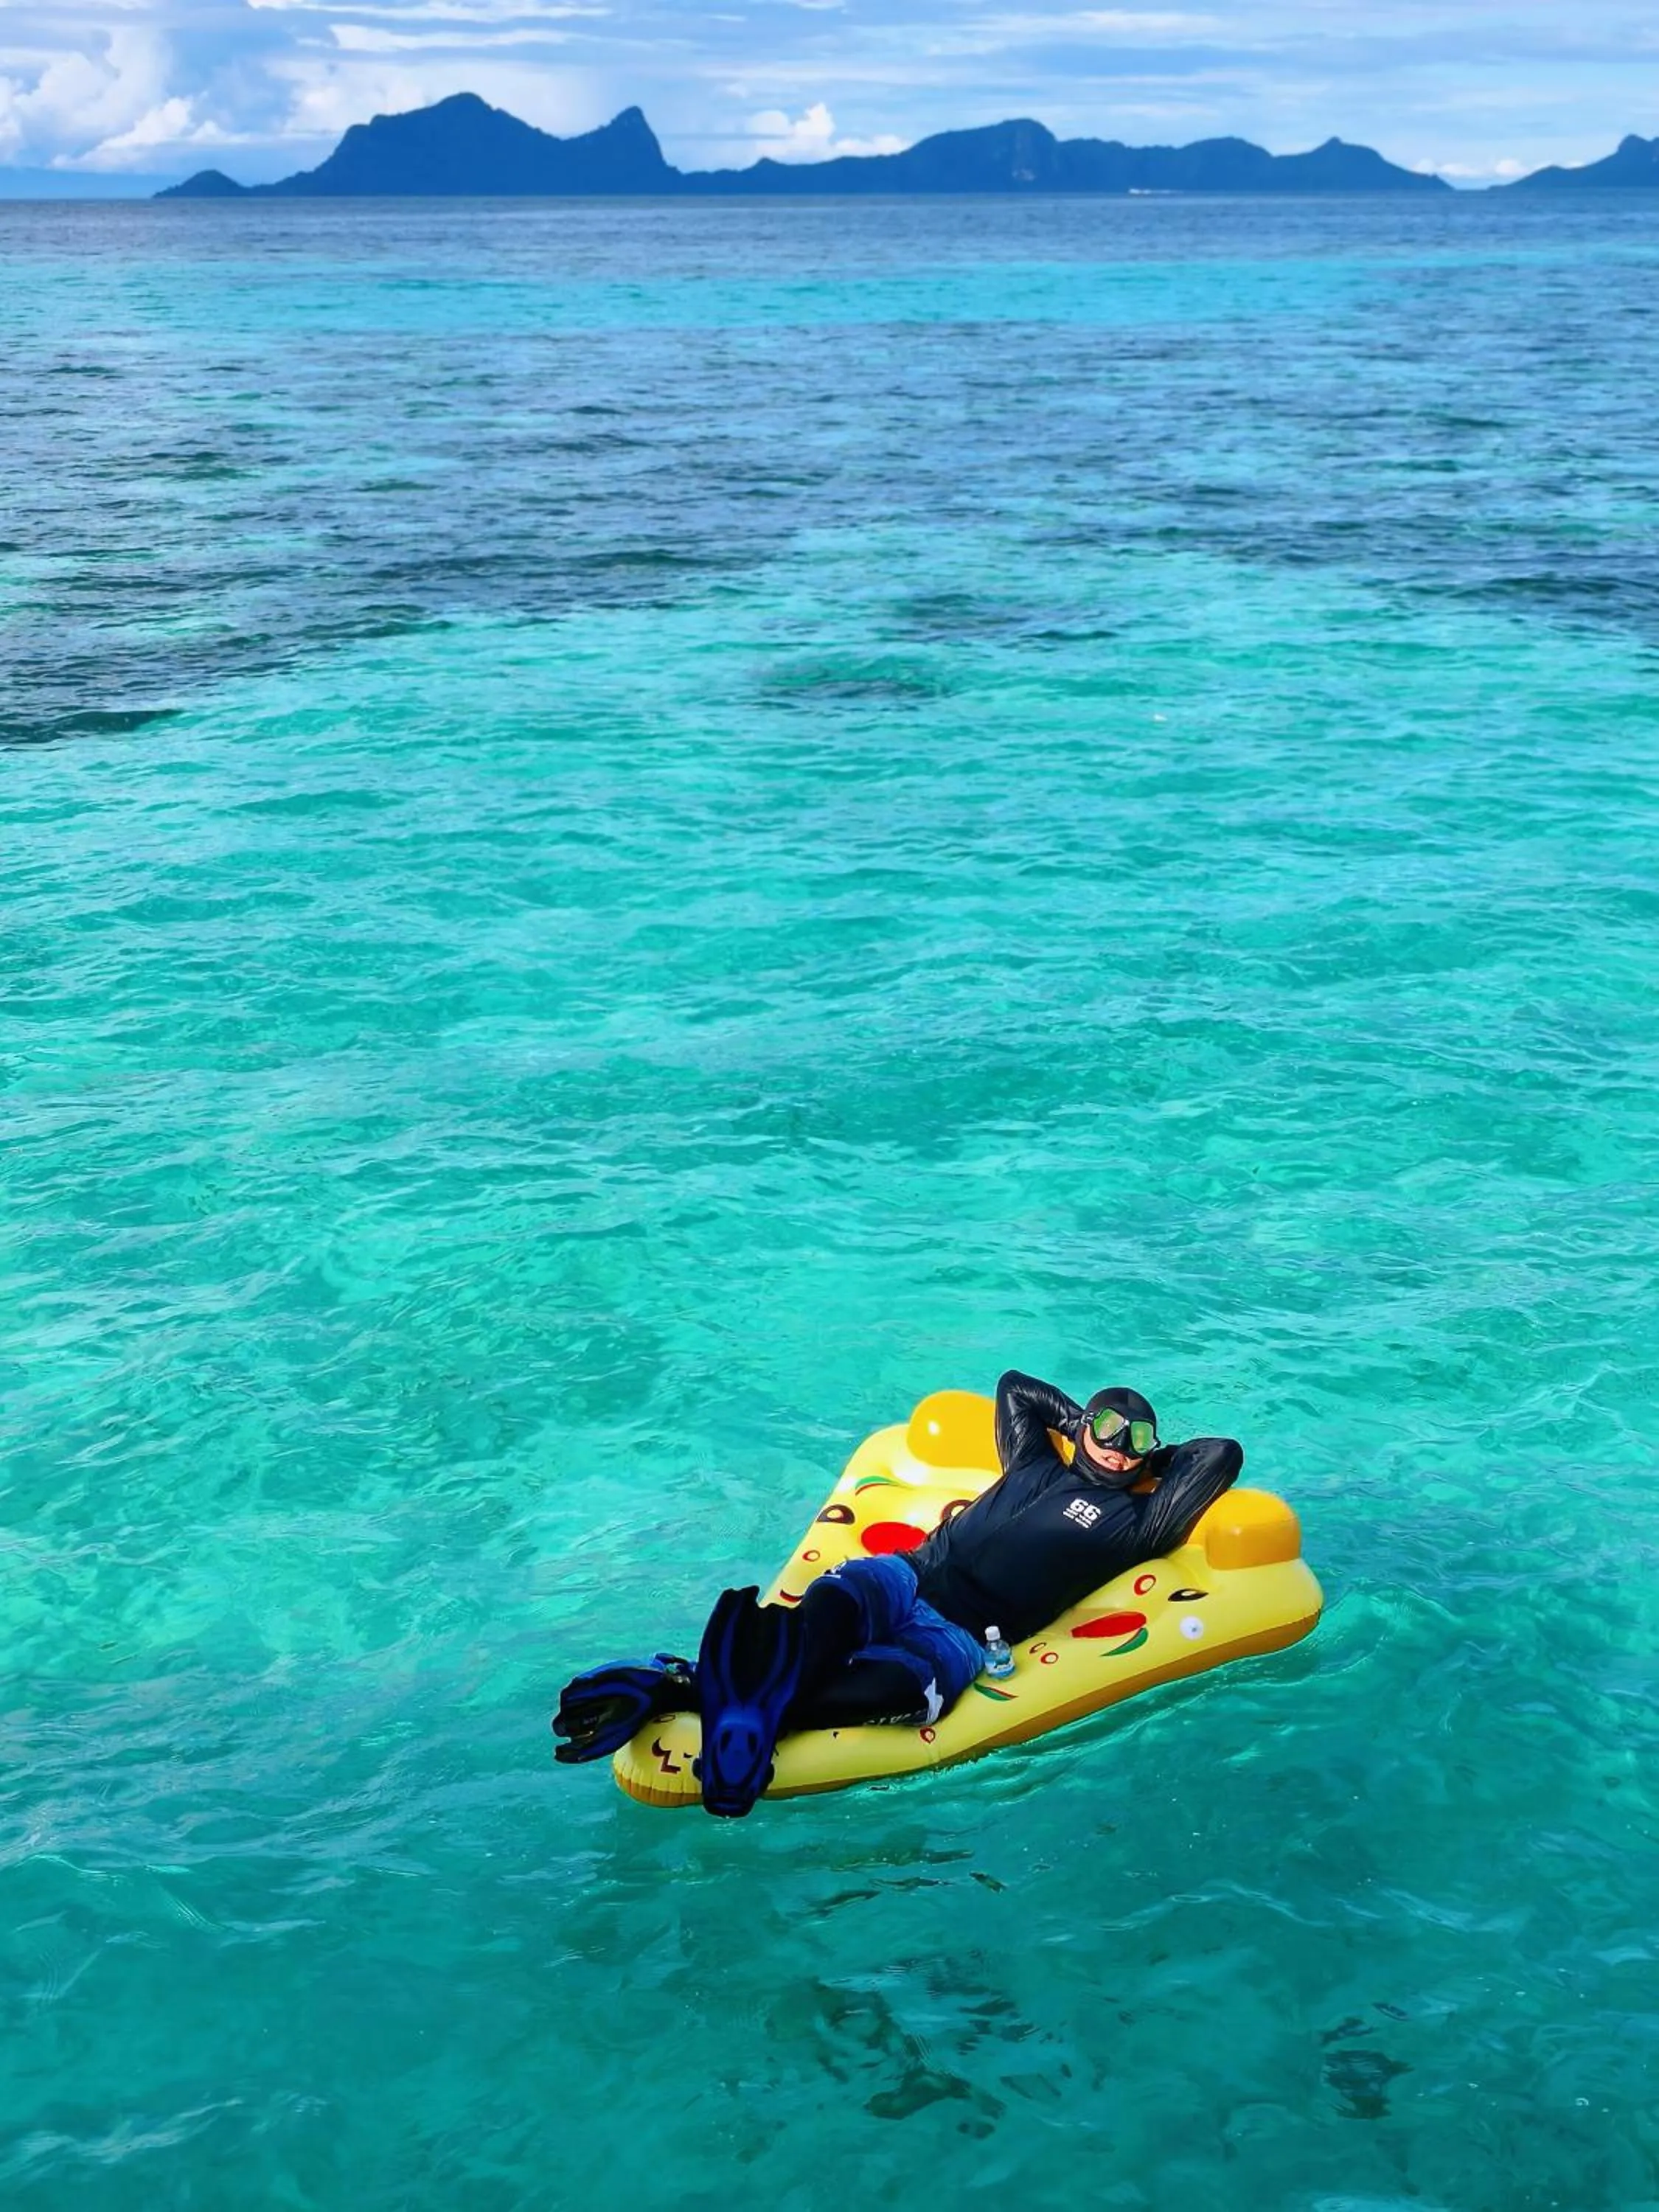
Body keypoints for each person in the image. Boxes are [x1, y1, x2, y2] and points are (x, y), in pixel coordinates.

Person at [552, 1371, 1242, 1818]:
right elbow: (1016, 1389)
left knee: (887, 1695)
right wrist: (1080, 1422)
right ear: (1085, 1429)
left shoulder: (1139, 1524)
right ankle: (727, 1700)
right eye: (1108, 1432)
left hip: (959, 1635)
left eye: (1136, 1440)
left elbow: (1221, 1454)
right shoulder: (1034, 1458)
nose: (1120, 1450)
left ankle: (678, 1690)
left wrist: (1149, 1455)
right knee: (817, 1624)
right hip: (903, 1574)